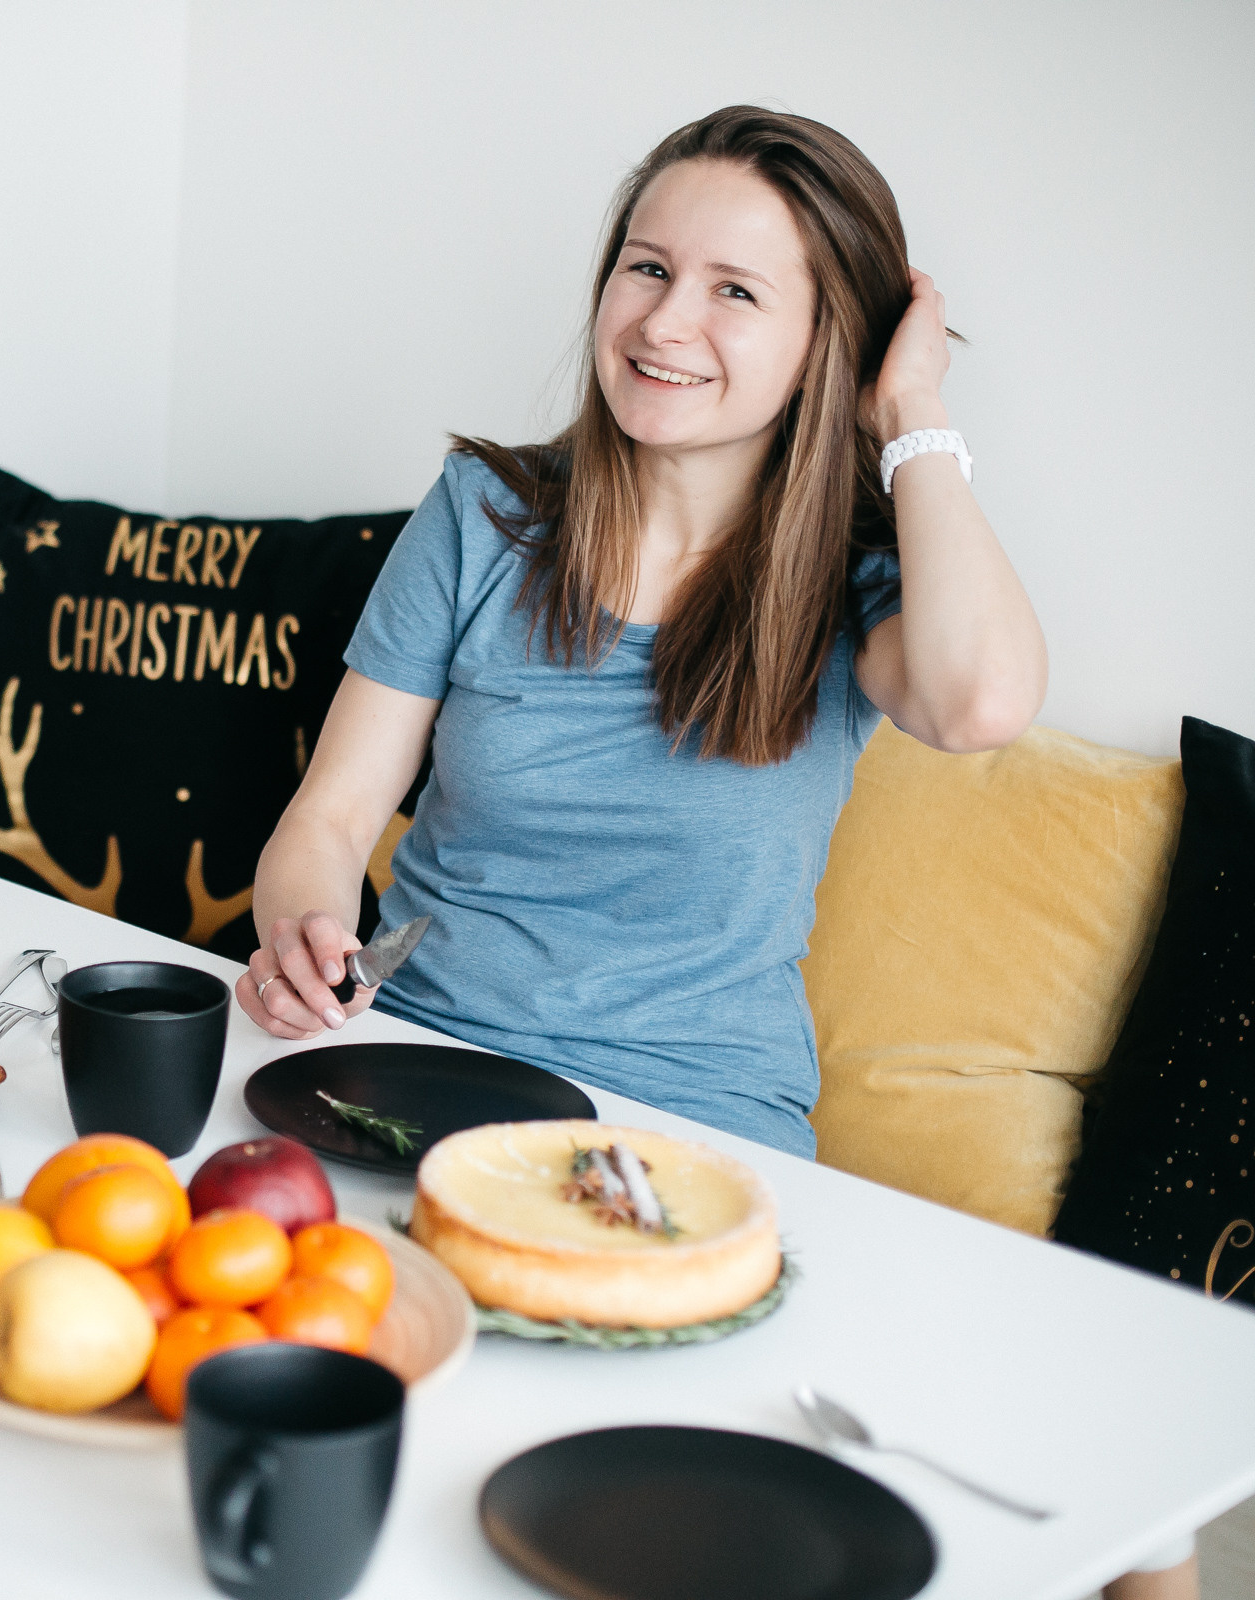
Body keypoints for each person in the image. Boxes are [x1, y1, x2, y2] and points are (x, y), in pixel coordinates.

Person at [238, 106, 1047, 1159]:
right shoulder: (484, 513)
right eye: (648, 268)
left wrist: (909, 404)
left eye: (736, 291)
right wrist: (305, 933)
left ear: (825, 344)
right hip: (416, 1068)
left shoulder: (862, 581)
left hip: (694, 1120)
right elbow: (332, 821)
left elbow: (979, 702)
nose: (664, 323)